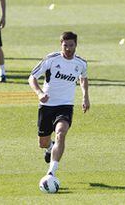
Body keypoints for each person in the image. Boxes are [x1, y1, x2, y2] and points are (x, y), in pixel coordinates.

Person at [28, 31, 90, 179]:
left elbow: (83, 78)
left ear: (76, 45)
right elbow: (32, 77)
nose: (68, 49)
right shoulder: (51, 59)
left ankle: (51, 172)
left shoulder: (81, 63)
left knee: (61, 133)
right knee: (43, 143)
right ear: (60, 45)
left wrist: (85, 97)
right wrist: (40, 93)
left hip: (65, 105)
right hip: (47, 105)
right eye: (65, 45)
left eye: (71, 45)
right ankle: (50, 147)